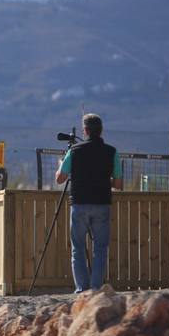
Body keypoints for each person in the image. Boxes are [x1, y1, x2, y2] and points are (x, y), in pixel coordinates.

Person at [55, 113, 123, 293]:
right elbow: (118, 184)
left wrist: (61, 163)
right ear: (101, 131)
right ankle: (95, 288)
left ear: (85, 130)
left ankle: (81, 290)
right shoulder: (112, 151)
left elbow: (60, 179)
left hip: (80, 203)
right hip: (102, 203)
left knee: (78, 247)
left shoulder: (75, 151)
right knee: (100, 248)